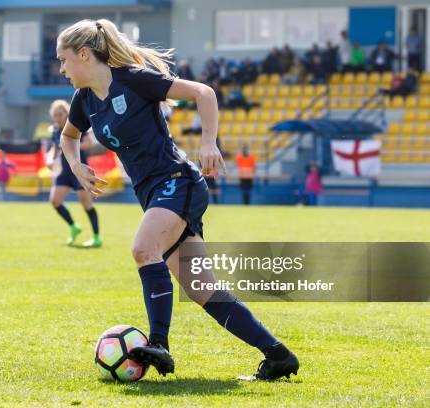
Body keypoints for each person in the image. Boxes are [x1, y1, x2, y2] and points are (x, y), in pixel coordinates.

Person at [56, 18, 298, 381]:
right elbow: (69, 136)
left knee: (142, 248)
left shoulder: (133, 79)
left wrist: (208, 142)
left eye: (63, 60)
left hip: (177, 182)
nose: (61, 70)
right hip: (153, 193)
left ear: (84, 54)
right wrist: (76, 165)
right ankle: (278, 356)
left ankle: (159, 344)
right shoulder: (85, 99)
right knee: (204, 291)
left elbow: (204, 93)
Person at [46, 99, 102, 247]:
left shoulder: (76, 126)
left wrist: (70, 146)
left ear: (67, 113)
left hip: (80, 171)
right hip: (65, 172)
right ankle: (74, 227)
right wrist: (50, 159)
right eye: (56, 115)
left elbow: (89, 144)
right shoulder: (56, 131)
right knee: (55, 201)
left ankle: (97, 237)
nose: (59, 117)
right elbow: (55, 148)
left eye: (61, 113)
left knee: (86, 203)